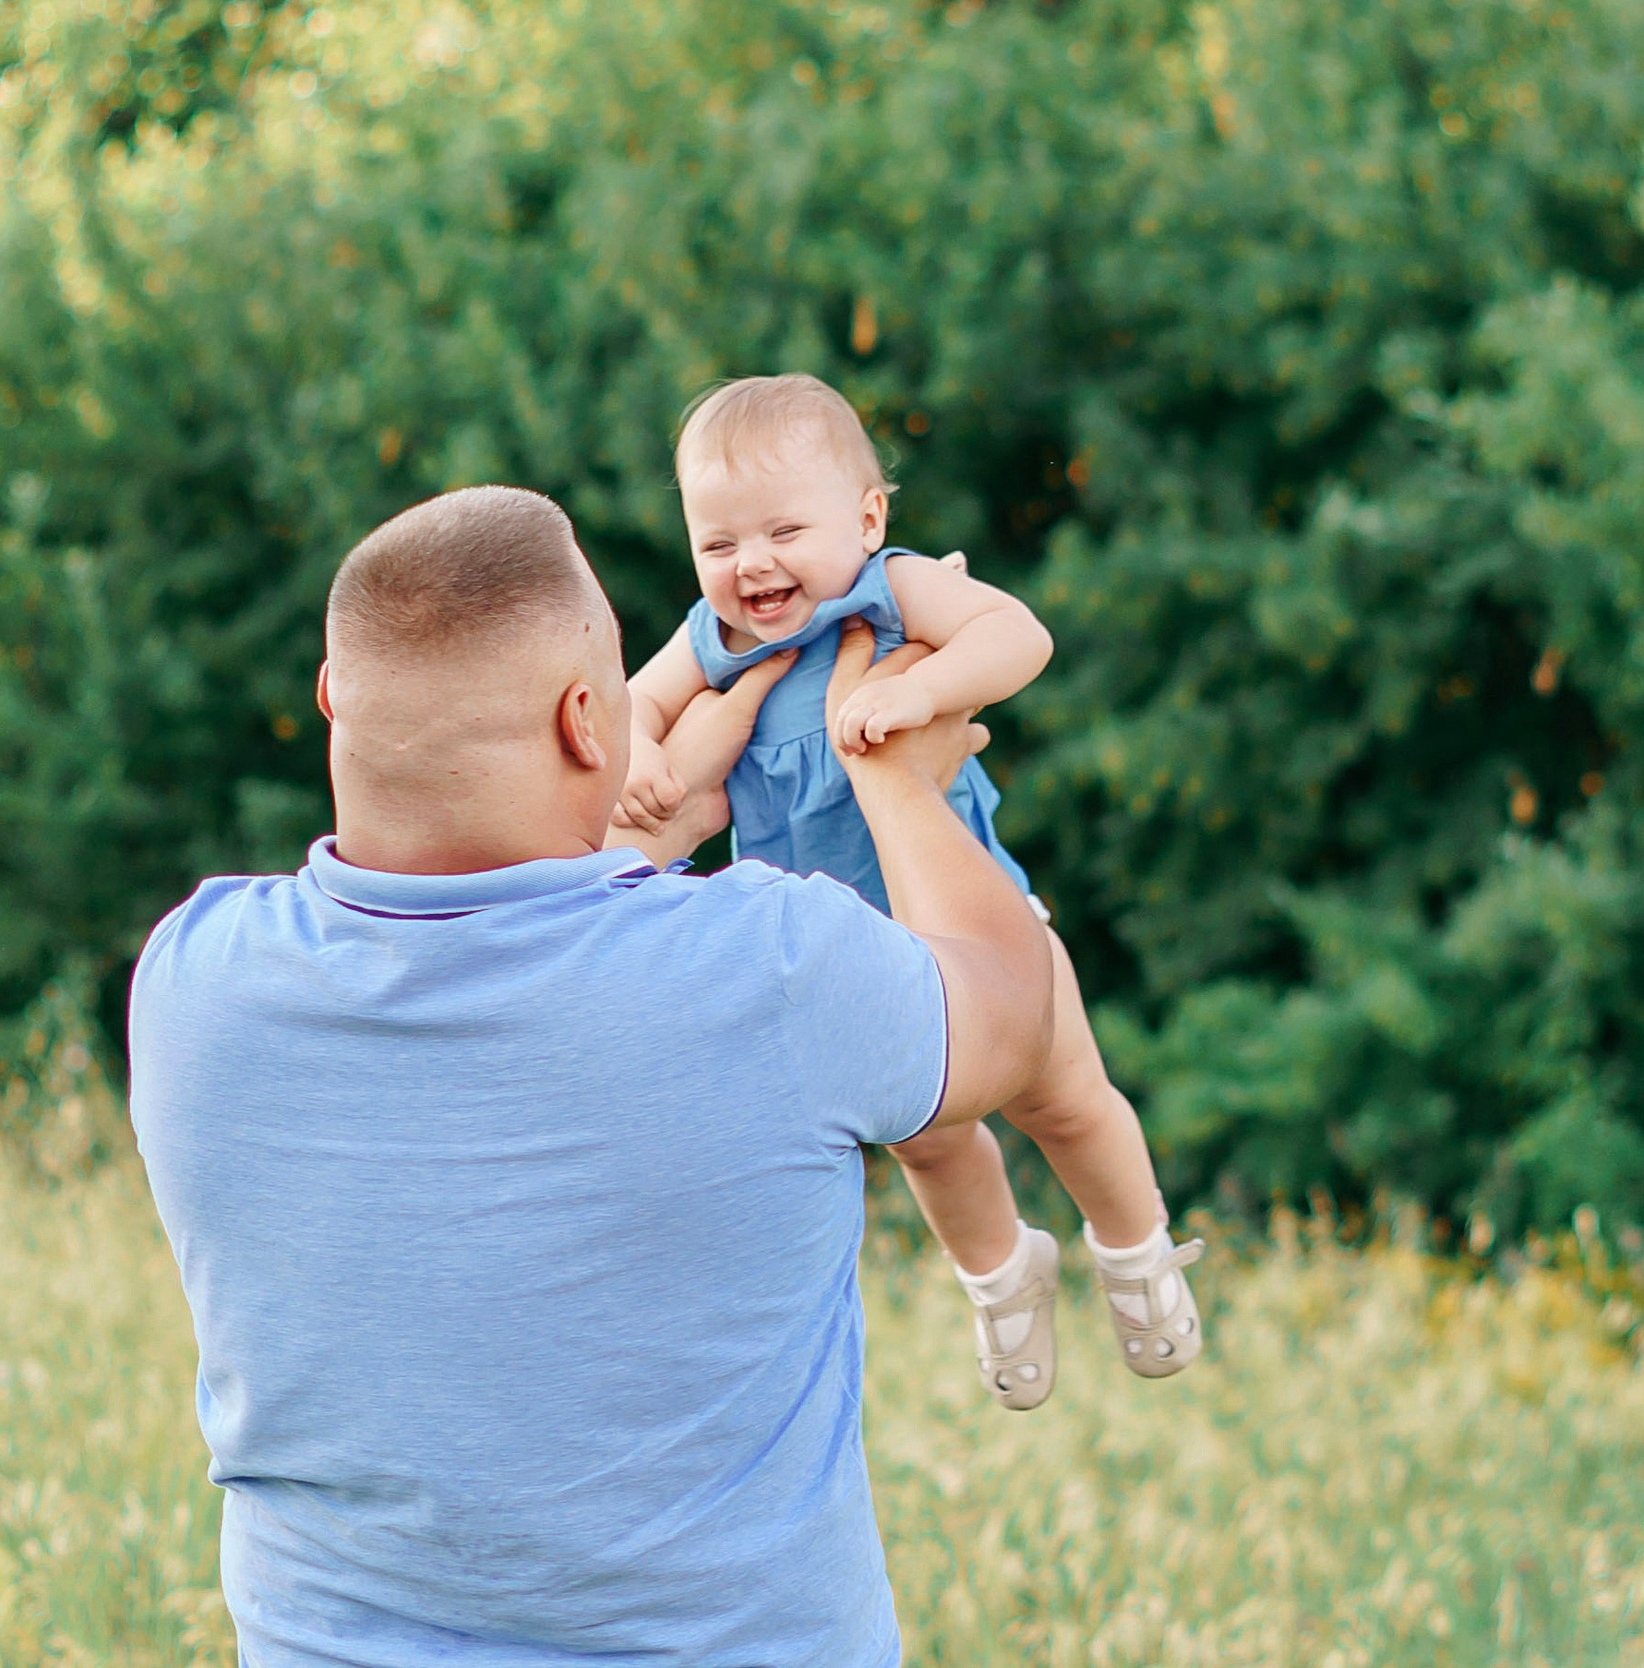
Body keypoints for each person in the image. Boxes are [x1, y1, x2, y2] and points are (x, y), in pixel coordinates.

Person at [127, 486, 1056, 1666]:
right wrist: (895, 785)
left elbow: (507, 960)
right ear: (584, 720)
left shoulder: (192, 978)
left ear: (329, 699)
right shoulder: (770, 968)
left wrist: (630, 854)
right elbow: (1009, 1014)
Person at [615, 375, 1203, 1409]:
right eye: (717, 544)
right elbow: (634, 702)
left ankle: (1136, 1251)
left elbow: (1019, 634)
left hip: (981, 925)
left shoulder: (889, 592)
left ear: (867, 516)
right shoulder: (717, 643)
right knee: (927, 1143)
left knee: (1067, 1102)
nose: (751, 563)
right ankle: (1001, 1276)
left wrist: (921, 688)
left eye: (784, 528)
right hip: (850, 962)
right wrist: (635, 755)